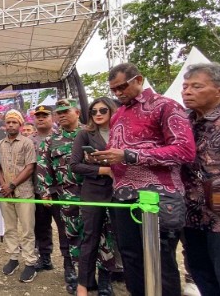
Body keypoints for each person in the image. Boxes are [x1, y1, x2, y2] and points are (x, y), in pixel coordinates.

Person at [92, 63, 196, 296]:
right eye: (113, 90)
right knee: (130, 256)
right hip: (122, 195)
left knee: (160, 258)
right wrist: (107, 157)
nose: (118, 93)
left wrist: (131, 155)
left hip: (158, 196)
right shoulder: (118, 113)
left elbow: (185, 151)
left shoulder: (165, 106)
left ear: (138, 80)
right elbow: (116, 149)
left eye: (121, 87)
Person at [180, 63, 220, 295]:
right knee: (203, 279)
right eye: (185, 86)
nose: (187, 91)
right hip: (191, 220)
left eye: (196, 86)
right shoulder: (183, 123)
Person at [36, 98, 86, 294]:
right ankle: (70, 269)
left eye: (66, 111)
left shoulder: (89, 134)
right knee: (67, 234)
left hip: (92, 194)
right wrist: (45, 192)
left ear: (77, 113)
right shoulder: (51, 140)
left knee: (96, 234)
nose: (62, 115)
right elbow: (43, 166)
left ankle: (100, 275)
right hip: (64, 195)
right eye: (59, 112)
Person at [69, 97, 118, 296]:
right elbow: (74, 165)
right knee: (90, 237)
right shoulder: (85, 134)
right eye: (94, 111)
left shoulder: (122, 132)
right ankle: (84, 285)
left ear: (112, 111)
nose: (97, 114)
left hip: (120, 192)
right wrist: (103, 170)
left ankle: (107, 280)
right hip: (93, 191)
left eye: (103, 110)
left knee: (116, 238)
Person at [0, 109, 37, 282]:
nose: (11, 125)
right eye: (8, 122)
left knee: (27, 229)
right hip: (6, 194)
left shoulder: (27, 143)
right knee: (10, 228)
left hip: (25, 193)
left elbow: (30, 167)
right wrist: (4, 185)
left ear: (20, 124)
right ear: (5, 125)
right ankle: (13, 258)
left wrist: (12, 184)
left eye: (15, 122)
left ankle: (30, 263)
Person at [30, 105, 71, 273]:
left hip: (59, 191)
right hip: (37, 191)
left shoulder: (60, 138)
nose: (40, 118)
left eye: (44, 115)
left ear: (52, 118)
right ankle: (45, 258)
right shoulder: (29, 140)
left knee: (64, 229)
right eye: (37, 116)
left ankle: (68, 264)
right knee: (41, 227)